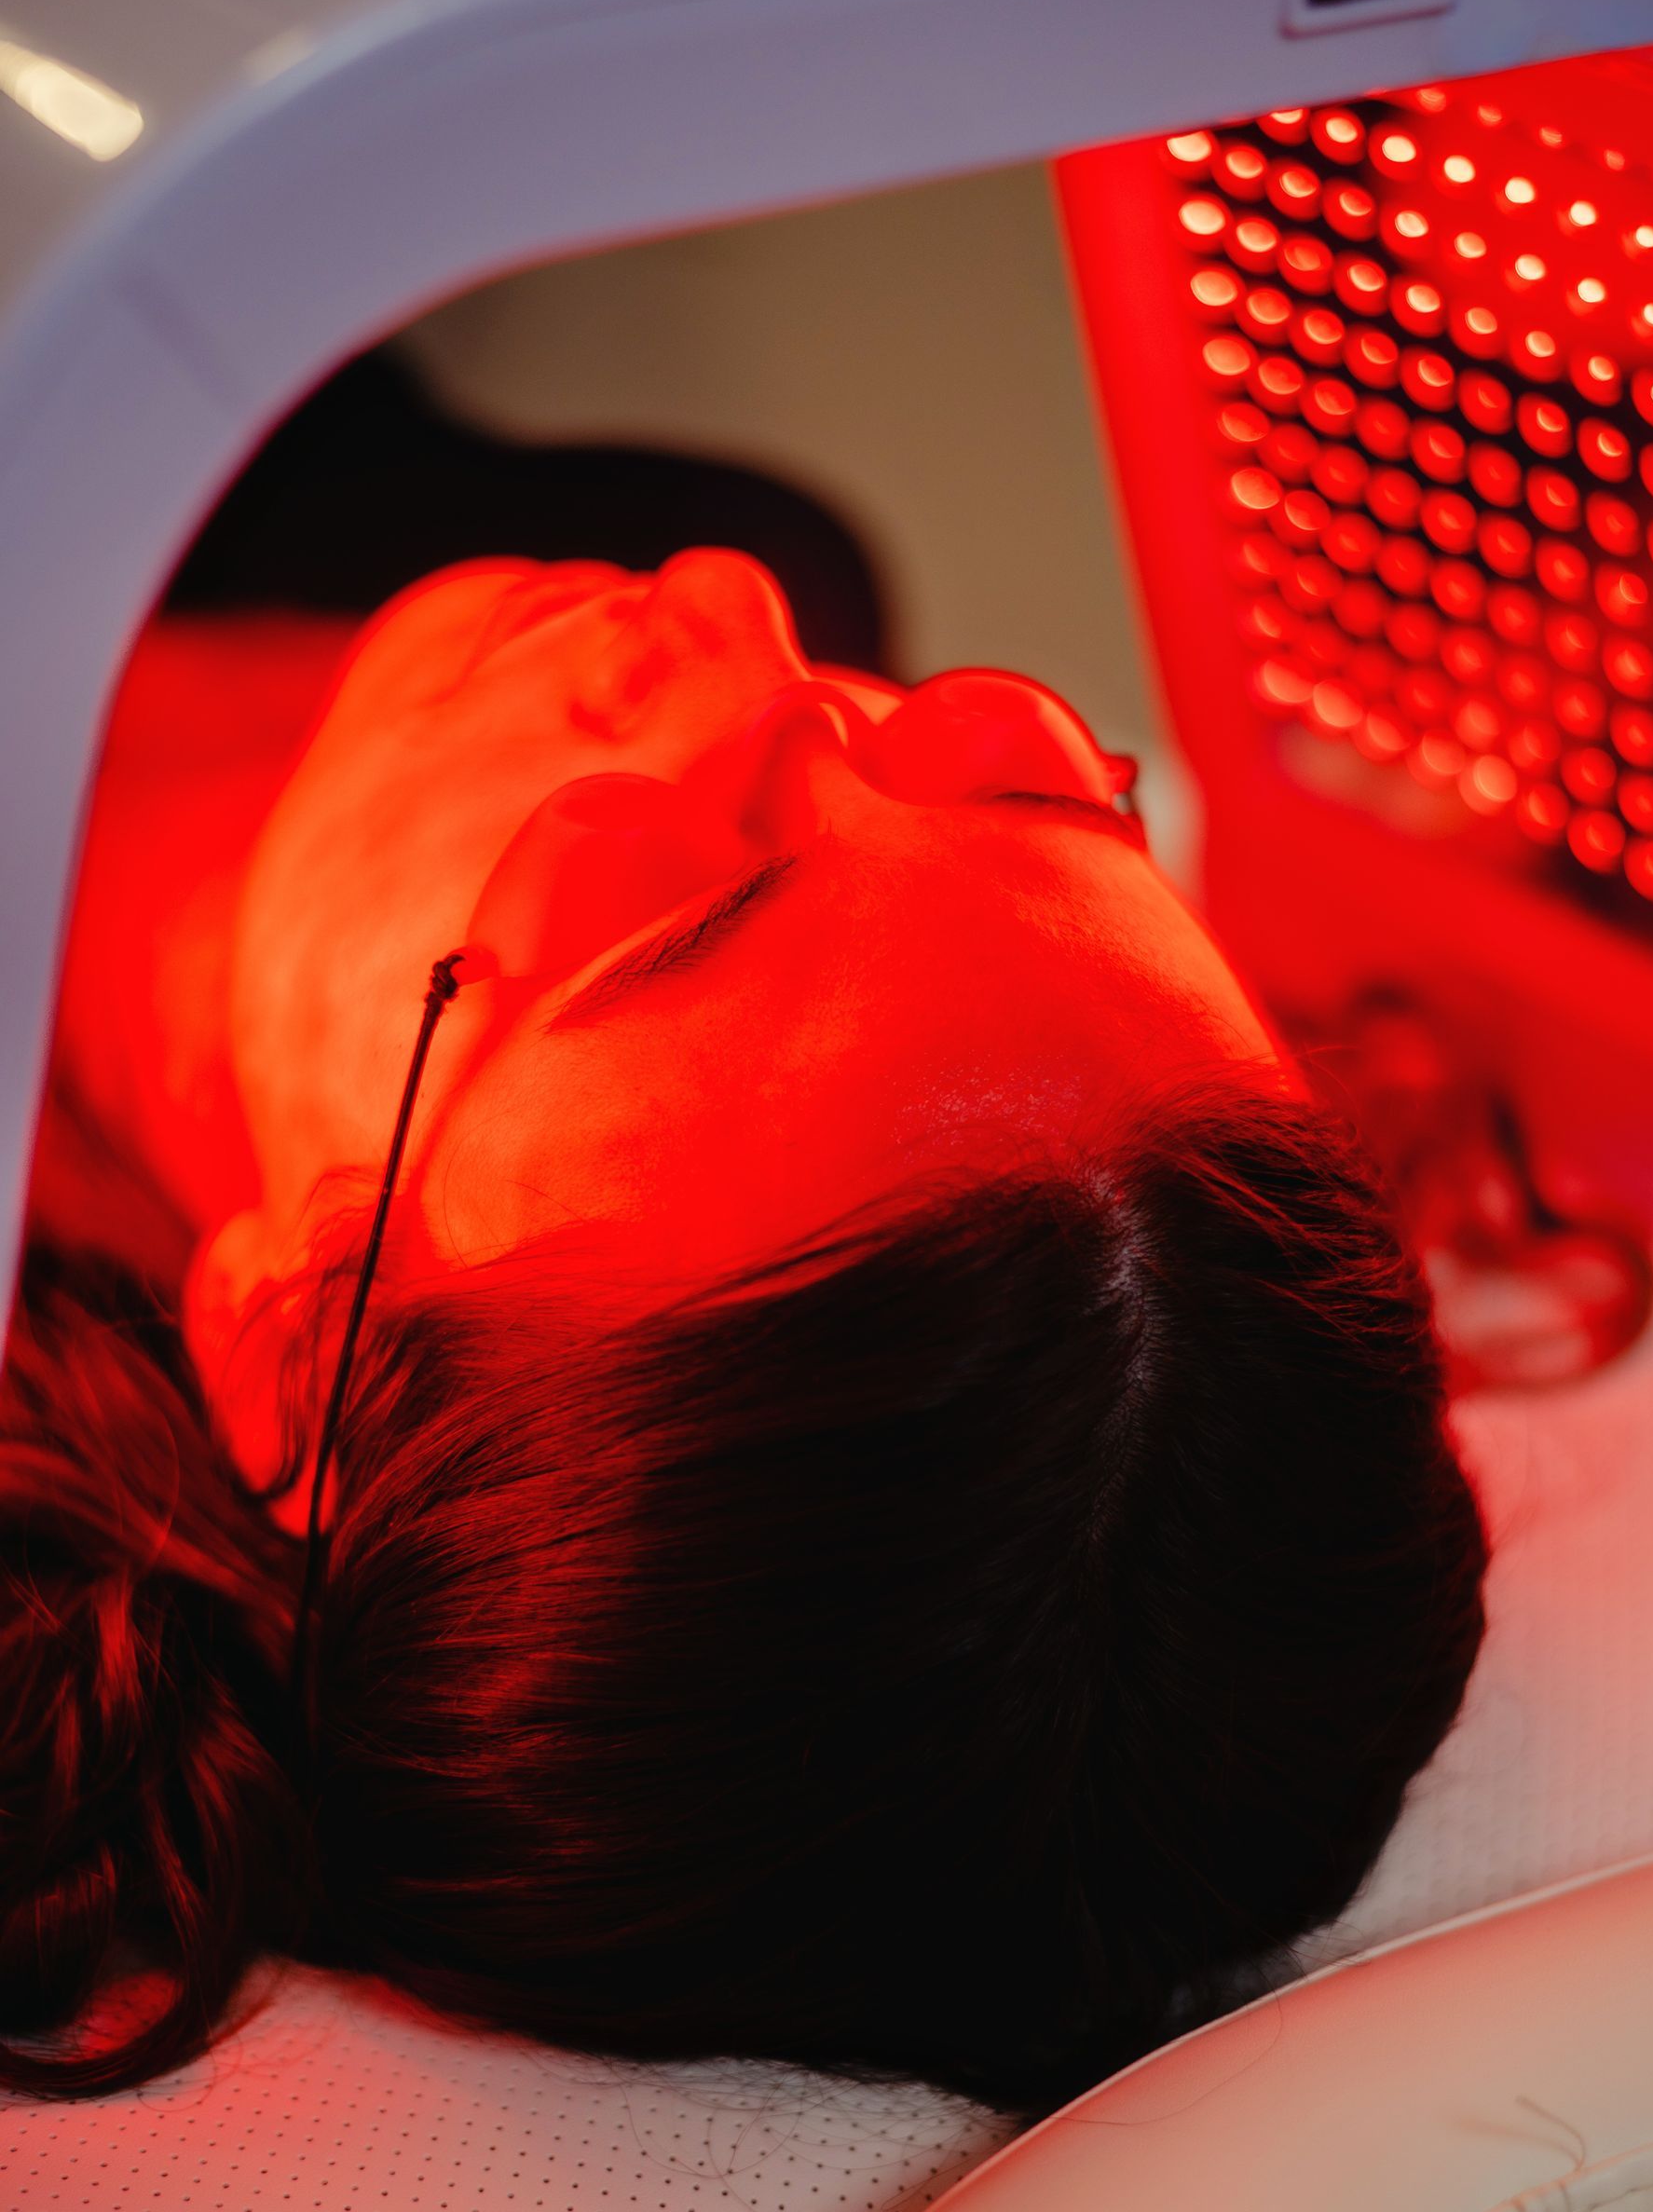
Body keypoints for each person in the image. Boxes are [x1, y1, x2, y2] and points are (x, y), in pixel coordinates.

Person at [0, 548, 1486, 2117]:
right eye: (1020, 786)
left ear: (294, 1355)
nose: (732, 603)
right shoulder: (643, 524)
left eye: (664, 905)